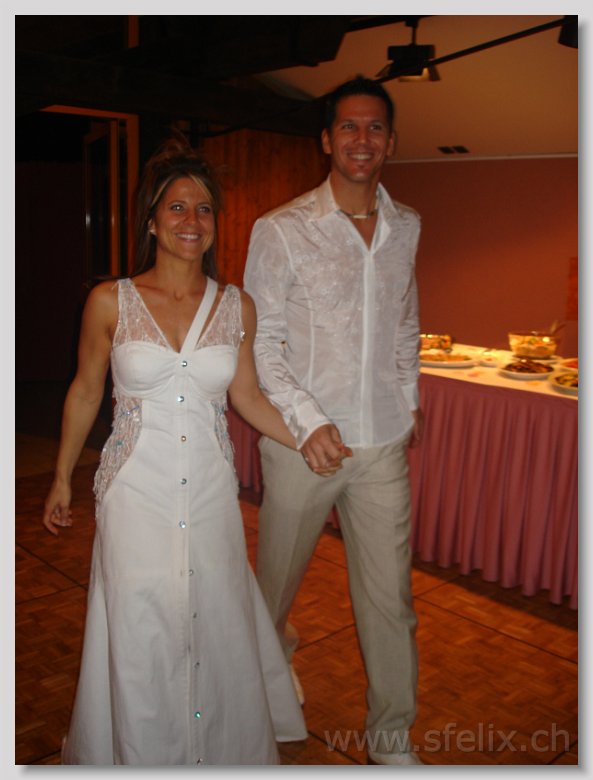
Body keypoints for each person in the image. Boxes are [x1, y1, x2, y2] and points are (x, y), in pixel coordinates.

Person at [42, 137, 308, 765]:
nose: (193, 220)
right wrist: (61, 478)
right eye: (178, 207)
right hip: (135, 492)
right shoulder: (110, 300)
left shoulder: (236, 305)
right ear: (153, 221)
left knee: (213, 618)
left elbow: (247, 397)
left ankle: (216, 753)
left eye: (205, 208)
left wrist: (308, 436)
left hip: (211, 492)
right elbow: (86, 391)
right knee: (141, 625)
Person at [243, 76, 424, 766]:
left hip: (381, 445)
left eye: (375, 127)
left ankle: (391, 737)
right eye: (348, 126)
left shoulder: (407, 225)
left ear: (391, 141)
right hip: (301, 447)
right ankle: (270, 661)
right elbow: (261, 342)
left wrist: (407, 399)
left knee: (391, 599)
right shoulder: (281, 229)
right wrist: (308, 421)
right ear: (326, 140)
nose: (361, 139)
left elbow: (405, 319)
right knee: (274, 590)